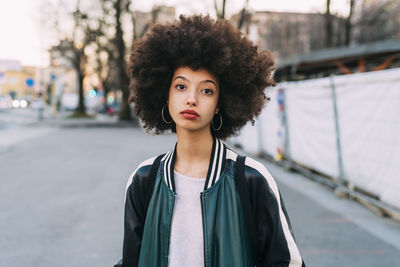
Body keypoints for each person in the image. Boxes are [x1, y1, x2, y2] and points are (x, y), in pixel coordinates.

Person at [118, 14, 305, 267]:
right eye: (181, 87)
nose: (192, 99)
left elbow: (287, 262)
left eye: (207, 90)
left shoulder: (250, 178)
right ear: (165, 95)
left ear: (220, 104)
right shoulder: (144, 179)